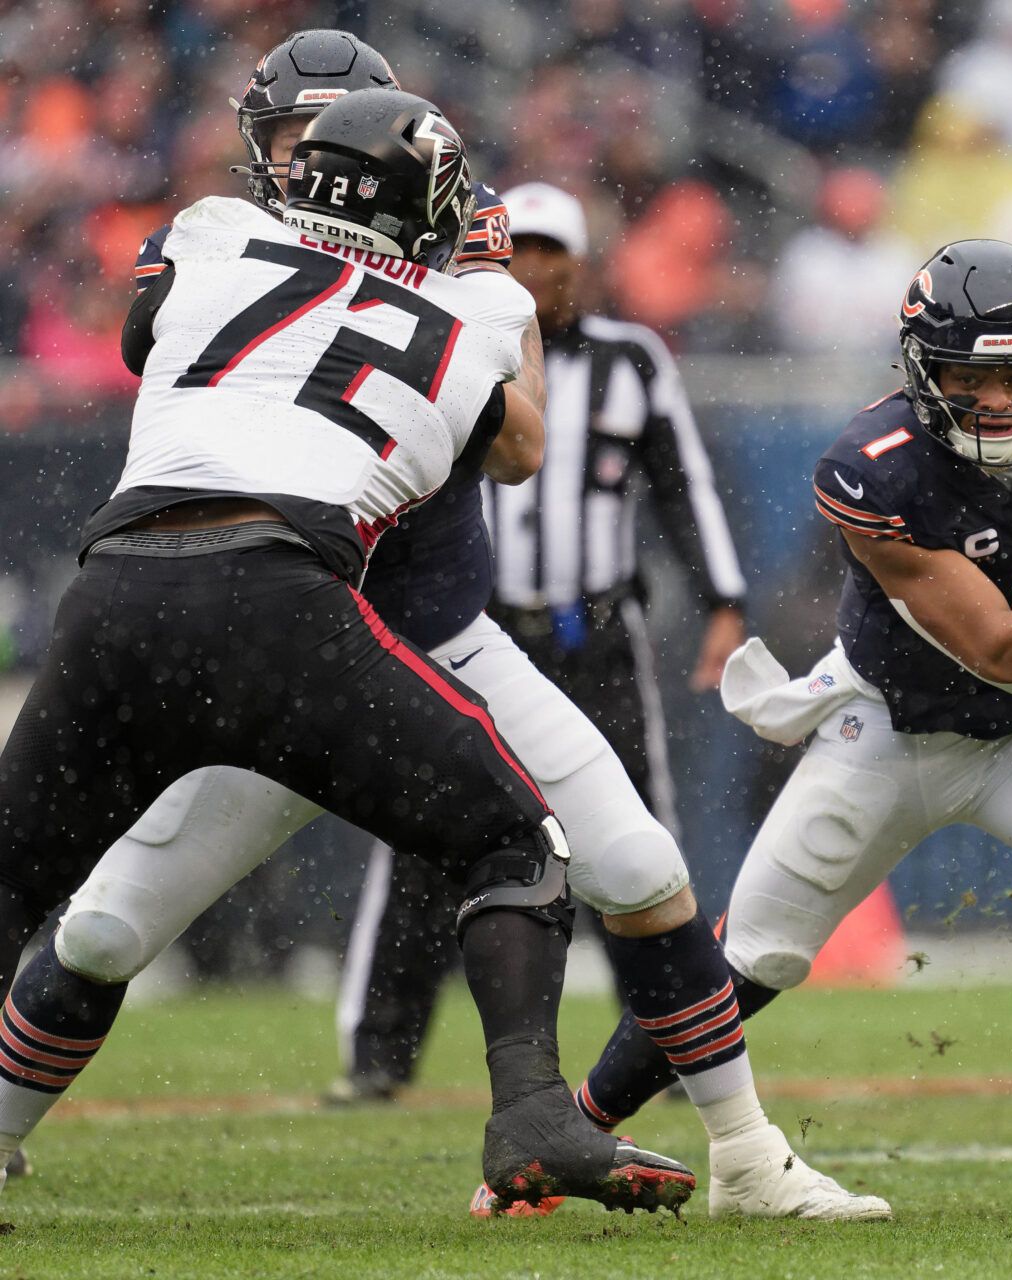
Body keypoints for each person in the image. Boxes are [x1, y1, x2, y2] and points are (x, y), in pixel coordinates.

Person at [29, 33, 886, 1223]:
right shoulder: (237, 237)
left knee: (638, 863)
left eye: (335, 147)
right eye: (290, 147)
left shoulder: (423, 264)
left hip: (421, 629)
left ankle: (746, 1150)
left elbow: (521, 446)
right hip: (276, 628)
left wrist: (474, 288)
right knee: (111, 924)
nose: (312, 173)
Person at [530, 237, 1012, 1194]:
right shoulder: (873, 469)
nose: (1003, 404)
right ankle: (569, 1134)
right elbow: (1002, 648)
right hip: (889, 728)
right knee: (745, 968)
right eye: (973, 379)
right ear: (923, 373)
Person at [332, 179, 745, 1112]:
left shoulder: (633, 360)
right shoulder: (445, 339)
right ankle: (378, 1055)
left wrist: (724, 600)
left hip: (595, 632)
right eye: (521, 250)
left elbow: (685, 483)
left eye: (554, 252)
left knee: (632, 832)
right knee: (422, 837)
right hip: (470, 631)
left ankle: (670, 1043)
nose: (539, 268)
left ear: (581, 262)